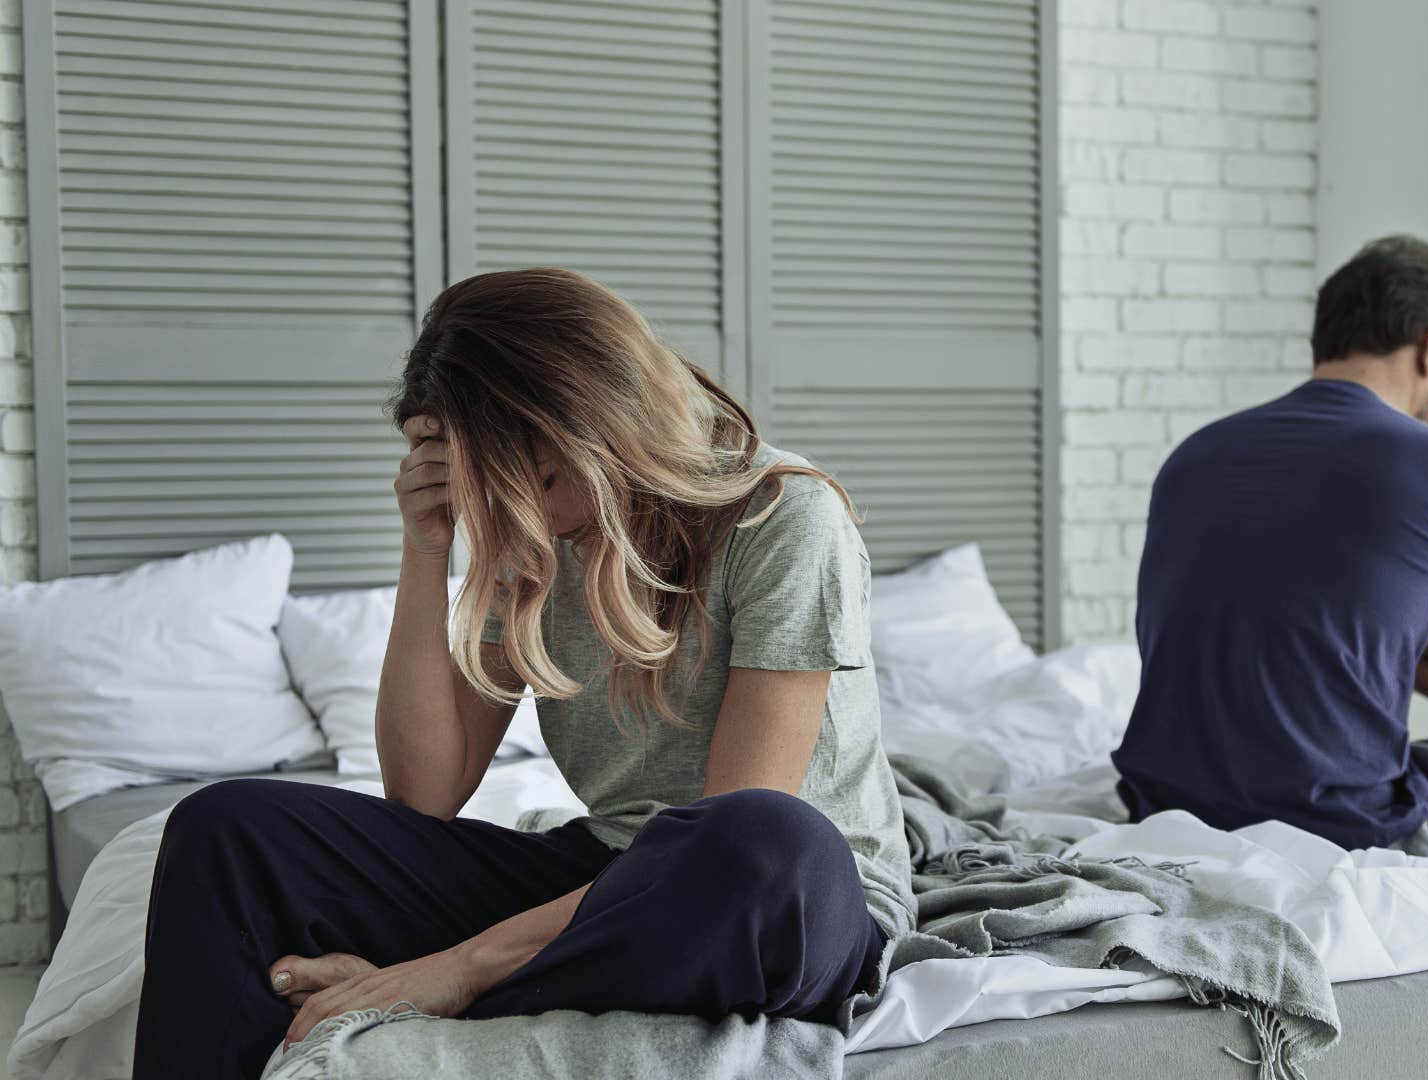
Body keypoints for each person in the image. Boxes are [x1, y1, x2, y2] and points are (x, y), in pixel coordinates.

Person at [132, 269, 913, 1080]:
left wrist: (455, 968)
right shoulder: (533, 537)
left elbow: (728, 833)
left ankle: (449, 991)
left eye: (530, 478)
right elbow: (425, 793)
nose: (515, 511)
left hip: (791, 901)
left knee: (759, 839)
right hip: (610, 877)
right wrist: (424, 547)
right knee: (227, 829)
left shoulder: (782, 515)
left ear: (592, 420)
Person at [1110, 235, 1428, 855]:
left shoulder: (1195, 456)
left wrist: (1410, 648)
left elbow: (1233, 614)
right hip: (1343, 831)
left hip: (1166, 810)